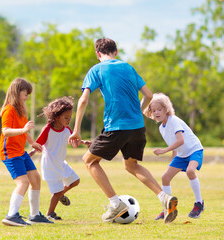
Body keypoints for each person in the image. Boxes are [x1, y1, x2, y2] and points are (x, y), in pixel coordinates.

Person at [68, 38, 178, 224]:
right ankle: (164, 198)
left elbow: (83, 100)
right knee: (131, 166)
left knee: (89, 161)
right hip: (137, 126)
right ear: (116, 51)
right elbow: (149, 95)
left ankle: (115, 203)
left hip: (116, 126)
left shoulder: (97, 69)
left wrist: (76, 130)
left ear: (98, 54)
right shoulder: (128, 67)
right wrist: (139, 112)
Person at [0, 78, 53, 226]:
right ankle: (11, 215)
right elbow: (6, 131)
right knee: (23, 182)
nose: (27, 97)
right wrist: (23, 130)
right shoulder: (9, 110)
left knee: (35, 178)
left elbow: (24, 131)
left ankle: (34, 215)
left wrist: (32, 142)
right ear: (17, 92)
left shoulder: (22, 109)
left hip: (20, 151)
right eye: (26, 94)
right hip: (10, 152)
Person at [144, 93, 205, 219]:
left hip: (195, 150)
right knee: (165, 177)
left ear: (166, 109)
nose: (156, 113)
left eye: (159, 109)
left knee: (190, 171)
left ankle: (199, 203)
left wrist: (163, 150)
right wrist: (172, 161)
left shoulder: (174, 120)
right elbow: (175, 145)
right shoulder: (162, 127)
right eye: (153, 110)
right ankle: (168, 208)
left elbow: (180, 141)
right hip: (181, 155)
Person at [29, 96, 91, 221]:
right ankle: (50, 213)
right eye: (66, 117)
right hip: (50, 165)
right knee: (56, 193)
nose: (69, 120)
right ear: (56, 117)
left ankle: (60, 195)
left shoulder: (67, 129)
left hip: (61, 163)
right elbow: (38, 143)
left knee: (75, 181)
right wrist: (32, 152)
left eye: (70, 117)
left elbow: (73, 141)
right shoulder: (47, 129)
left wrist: (83, 142)